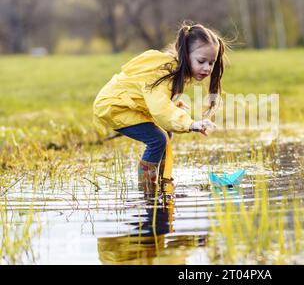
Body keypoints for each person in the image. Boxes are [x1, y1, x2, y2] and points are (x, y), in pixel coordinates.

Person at [93, 22, 226, 197]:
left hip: (128, 105)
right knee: (157, 139)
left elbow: (155, 99)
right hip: (116, 106)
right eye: (201, 61)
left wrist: (173, 107)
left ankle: (162, 180)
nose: (207, 68)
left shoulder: (177, 70)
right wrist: (190, 123)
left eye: (211, 62)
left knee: (164, 134)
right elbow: (160, 108)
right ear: (185, 54)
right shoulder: (165, 71)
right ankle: (147, 188)